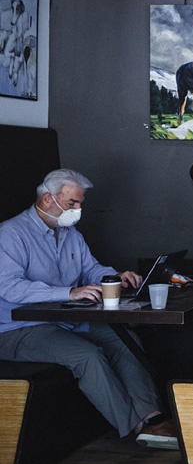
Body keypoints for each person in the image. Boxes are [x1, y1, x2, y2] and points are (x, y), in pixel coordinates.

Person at [0, 169, 177, 449]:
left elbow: (90, 269)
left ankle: (153, 416)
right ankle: (138, 427)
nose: (78, 210)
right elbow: (9, 288)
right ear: (48, 199)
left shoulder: (70, 233)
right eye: (72, 203)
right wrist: (69, 292)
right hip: (17, 328)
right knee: (88, 355)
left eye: (80, 203)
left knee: (123, 339)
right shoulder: (9, 235)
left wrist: (115, 277)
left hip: (65, 320)